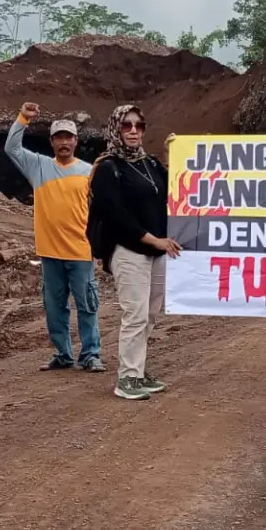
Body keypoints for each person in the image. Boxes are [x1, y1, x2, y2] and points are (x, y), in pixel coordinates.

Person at [5, 101, 103, 372]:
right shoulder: (38, 166)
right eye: (58, 137)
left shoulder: (88, 172)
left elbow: (100, 210)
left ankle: (91, 355)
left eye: (68, 137)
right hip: (49, 254)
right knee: (55, 308)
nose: (63, 142)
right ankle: (63, 354)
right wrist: (23, 118)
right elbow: (11, 148)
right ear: (51, 142)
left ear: (76, 141)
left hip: (81, 252)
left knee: (87, 306)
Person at [87, 104, 176, 401]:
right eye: (127, 125)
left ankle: (138, 371)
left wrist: (173, 153)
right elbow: (115, 214)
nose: (134, 131)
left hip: (158, 252)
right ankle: (127, 378)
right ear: (116, 128)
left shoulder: (150, 164)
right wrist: (153, 240)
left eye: (139, 125)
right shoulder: (107, 167)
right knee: (135, 314)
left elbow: (180, 186)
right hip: (130, 251)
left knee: (150, 314)